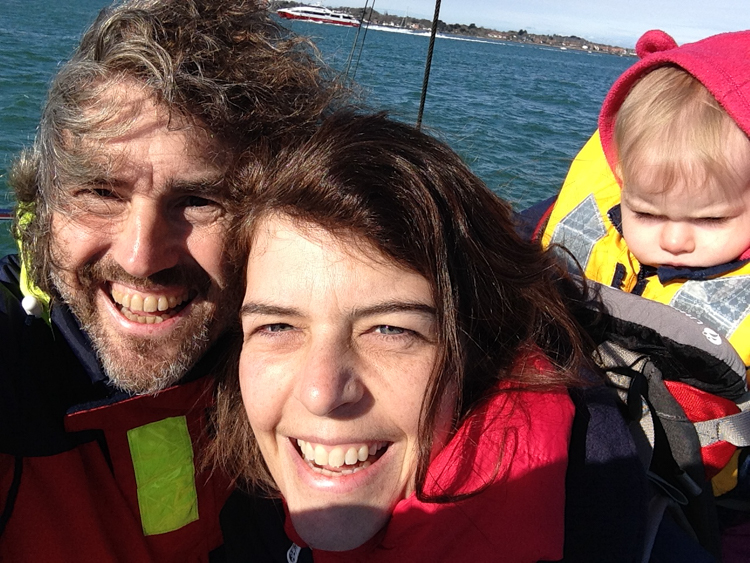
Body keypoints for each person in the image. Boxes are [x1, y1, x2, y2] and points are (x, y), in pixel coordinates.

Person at [209, 111, 656, 562]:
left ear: (480, 348)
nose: (322, 392)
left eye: (389, 329)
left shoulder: (595, 525)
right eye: (277, 326)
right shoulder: (241, 506)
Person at [0, 0, 347, 561]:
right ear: (43, 205)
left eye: (198, 201)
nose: (141, 257)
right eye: (100, 192)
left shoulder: (324, 378)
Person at [535, 30, 750, 562]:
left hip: (705, 494)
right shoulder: (596, 209)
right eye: (649, 213)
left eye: (712, 219)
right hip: (572, 423)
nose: (675, 240)